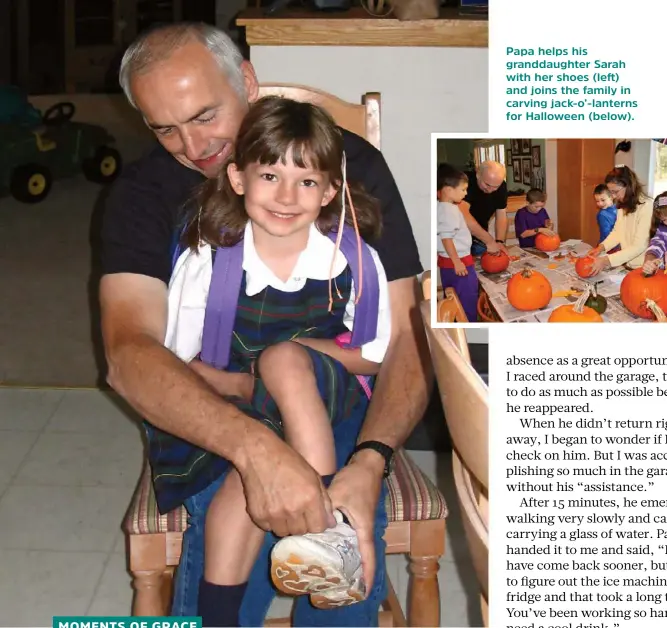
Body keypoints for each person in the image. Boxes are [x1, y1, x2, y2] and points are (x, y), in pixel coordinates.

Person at [100, 22, 430, 626]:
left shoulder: (348, 170)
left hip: (332, 403)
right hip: (220, 406)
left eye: (205, 115)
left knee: (348, 546)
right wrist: (257, 451)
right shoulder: (143, 196)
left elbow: (405, 335)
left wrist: (370, 461)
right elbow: (131, 354)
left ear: (246, 82)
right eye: (164, 127)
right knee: (240, 511)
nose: (191, 144)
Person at [162, 96, 392, 625]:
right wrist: (249, 386)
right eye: (270, 175)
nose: (287, 196)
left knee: (286, 361)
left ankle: (325, 532)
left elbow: (375, 357)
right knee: (240, 491)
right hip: (238, 403)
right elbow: (179, 365)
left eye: (307, 181)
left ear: (330, 190)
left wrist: (285, 359)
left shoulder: (350, 257)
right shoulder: (210, 260)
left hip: (331, 401)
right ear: (238, 178)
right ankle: (217, 616)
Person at [586, 165, 653, 276]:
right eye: (611, 192)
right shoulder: (623, 205)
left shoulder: (647, 207)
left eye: (615, 192)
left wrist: (606, 260)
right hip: (628, 265)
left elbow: (639, 246)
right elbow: (617, 232)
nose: (613, 196)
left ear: (629, 186)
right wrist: (601, 247)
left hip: (644, 268)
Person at [435, 163, 481, 321]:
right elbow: (446, 238)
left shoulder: (438, 207)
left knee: (452, 297)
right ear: (448, 190)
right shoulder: (450, 210)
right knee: (467, 301)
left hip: (446, 264)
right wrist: (457, 262)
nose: (466, 193)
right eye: (463, 189)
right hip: (459, 264)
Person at [464, 160, 511, 255]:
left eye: (495, 187)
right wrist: (489, 241)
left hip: (479, 237)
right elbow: (464, 216)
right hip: (458, 236)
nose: (490, 190)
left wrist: (499, 241)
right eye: (487, 184)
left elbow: (501, 215)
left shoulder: (501, 186)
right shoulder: (464, 182)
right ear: (478, 175)